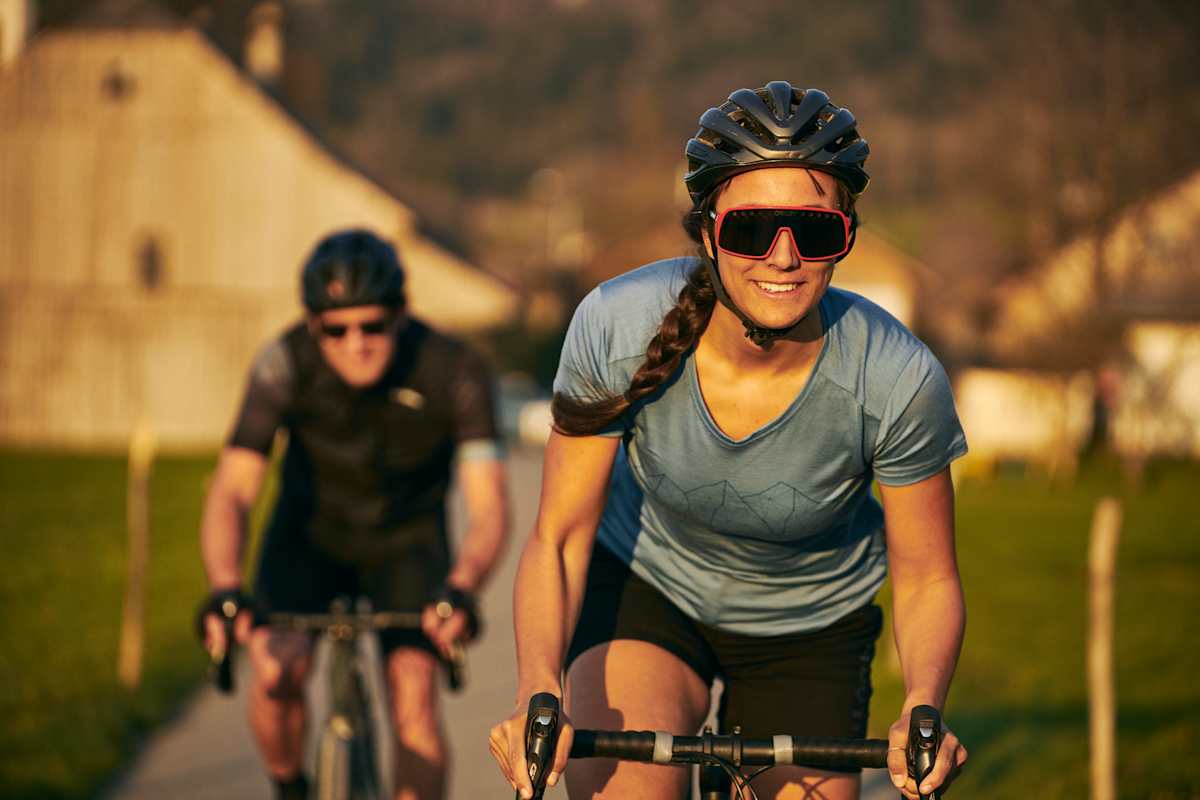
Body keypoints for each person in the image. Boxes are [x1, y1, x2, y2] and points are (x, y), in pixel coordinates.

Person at [489, 82, 968, 800]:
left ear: (847, 237)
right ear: (710, 231)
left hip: (811, 627)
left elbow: (928, 576)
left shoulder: (897, 377)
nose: (782, 258)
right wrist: (537, 689)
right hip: (648, 591)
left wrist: (922, 708)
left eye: (813, 231)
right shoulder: (618, 326)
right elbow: (558, 537)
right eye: (752, 229)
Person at [198, 229, 509, 800]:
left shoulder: (455, 369)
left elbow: (489, 504)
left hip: (407, 543)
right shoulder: (283, 362)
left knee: (413, 698)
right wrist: (224, 587)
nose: (355, 343)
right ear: (313, 325)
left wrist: (462, 589)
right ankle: (291, 788)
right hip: (308, 537)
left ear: (399, 315)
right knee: (273, 672)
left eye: (372, 325)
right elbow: (234, 490)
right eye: (335, 329)